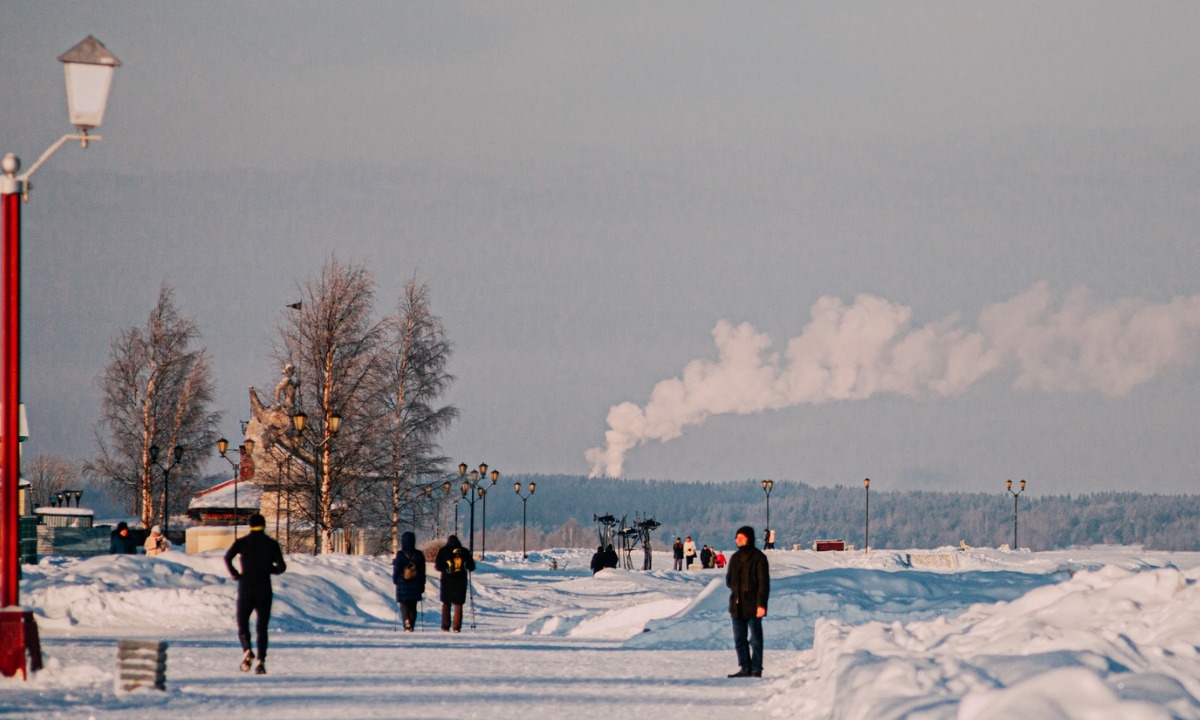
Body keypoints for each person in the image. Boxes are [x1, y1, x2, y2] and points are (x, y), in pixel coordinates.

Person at [224, 513, 287, 675]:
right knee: (262, 627)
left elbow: (227, 557)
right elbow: (281, 567)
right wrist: (268, 569)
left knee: (243, 622)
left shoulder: (242, 542)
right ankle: (260, 661)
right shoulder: (271, 544)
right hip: (264, 588)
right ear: (264, 525)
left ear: (250, 525)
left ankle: (247, 650)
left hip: (246, 587)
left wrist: (236, 574)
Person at [726, 525, 769, 678]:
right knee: (739, 639)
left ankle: (756, 668)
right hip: (737, 605)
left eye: (741, 538)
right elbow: (729, 580)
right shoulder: (735, 558)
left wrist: (761, 604)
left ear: (748, 539)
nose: (738, 540)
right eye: (737, 538)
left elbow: (763, 583)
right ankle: (744, 667)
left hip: (753, 605)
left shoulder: (759, 557)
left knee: (755, 639)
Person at [434, 534, 475, 632]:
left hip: (446, 581)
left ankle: (445, 626)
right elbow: (471, 566)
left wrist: (445, 568)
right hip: (460, 582)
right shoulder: (464, 551)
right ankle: (456, 627)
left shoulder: (443, 551)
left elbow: (438, 567)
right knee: (459, 604)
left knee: (446, 603)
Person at [392, 531, 427, 632]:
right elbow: (422, 571)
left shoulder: (400, 554)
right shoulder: (419, 554)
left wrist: (395, 580)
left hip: (402, 584)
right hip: (415, 584)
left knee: (404, 605)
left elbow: (397, 569)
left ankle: (406, 622)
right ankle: (411, 623)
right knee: (413, 606)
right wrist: (422, 583)